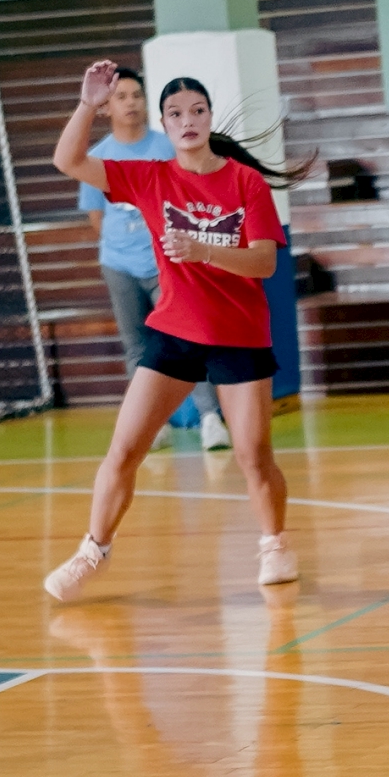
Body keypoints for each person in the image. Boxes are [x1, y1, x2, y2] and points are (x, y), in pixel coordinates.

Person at [44, 62, 311, 601]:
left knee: (253, 455)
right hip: (176, 331)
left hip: (239, 334)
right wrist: (88, 105)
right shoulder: (151, 178)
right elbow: (67, 161)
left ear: (208, 117)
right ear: (163, 126)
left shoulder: (245, 182)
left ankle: (275, 544)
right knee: (124, 450)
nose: (187, 120)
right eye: (175, 114)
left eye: (197, 110)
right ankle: (93, 551)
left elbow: (263, 262)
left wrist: (202, 249)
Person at [78, 65, 227, 452]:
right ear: (107, 106)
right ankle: (151, 425)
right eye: (121, 97)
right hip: (119, 266)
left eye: (137, 95)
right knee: (137, 345)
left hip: (169, 266)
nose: (130, 103)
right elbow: (97, 217)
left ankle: (210, 418)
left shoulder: (165, 147)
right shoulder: (98, 157)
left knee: (187, 339)